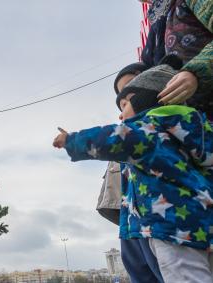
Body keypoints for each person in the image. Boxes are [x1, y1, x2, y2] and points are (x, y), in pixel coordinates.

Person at [54, 61, 213, 283]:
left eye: (126, 103)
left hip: (169, 227)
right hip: (201, 227)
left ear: (147, 98)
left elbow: (113, 138)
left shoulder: (151, 129)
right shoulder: (194, 130)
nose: (121, 115)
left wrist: (71, 140)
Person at [97, 62, 165, 283]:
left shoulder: (173, 126)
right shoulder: (127, 134)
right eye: (121, 102)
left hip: (160, 218)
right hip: (130, 219)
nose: (123, 108)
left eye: (129, 94)